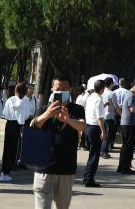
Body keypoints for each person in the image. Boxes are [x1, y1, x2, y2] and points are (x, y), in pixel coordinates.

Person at [33, 74, 86, 209]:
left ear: (70, 89)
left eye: (64, 89)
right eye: (57, 89)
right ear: (52, 89)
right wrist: (47, 114)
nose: (61, 93)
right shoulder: (44, 108)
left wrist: (68, 120)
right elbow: (33, 126)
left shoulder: (77, 109)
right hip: (44, 168)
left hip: (66, 168)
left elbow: (83, 126)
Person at [0, 83, 27, 181]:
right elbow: (26, 114)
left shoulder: (10, 99)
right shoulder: (24, 101)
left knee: (7, 148)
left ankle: (4, 171)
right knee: (13, 149)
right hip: (17, 125)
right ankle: (6, 172)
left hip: (9, 124)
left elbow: (4, 113)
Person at [116, 79, 135, 174]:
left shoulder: (130, 94)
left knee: (125, 145)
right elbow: (132, 109)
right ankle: (125, 168)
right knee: (128, 146)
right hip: (129, 124)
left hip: (126, 123)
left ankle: (121, 166)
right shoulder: (130, 95)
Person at [101, 82, 119, 159]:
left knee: (103, 133)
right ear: (111, 84)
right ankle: (104, 151)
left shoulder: (102, 93)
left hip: (102, 116)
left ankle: (102, 150)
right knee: (108, 135)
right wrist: (121, 114)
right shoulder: (112, 93)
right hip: (110, 116)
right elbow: (116, 106)